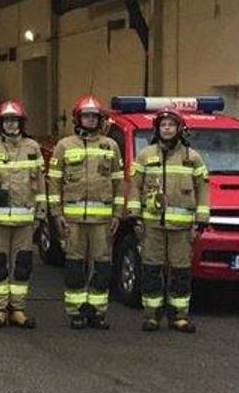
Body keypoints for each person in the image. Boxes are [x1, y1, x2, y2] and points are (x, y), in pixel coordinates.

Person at [128, 108, 209, 333]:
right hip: (152, 226)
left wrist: (201, 221)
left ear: (179, 129)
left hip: (182, 228)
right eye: (163, 125)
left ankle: (179, 316)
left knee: (181, 271)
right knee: (151, 269)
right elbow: (135, 186)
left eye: (171, 125)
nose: (167, 129)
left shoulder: (192, 158)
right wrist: (135, 216)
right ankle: (152, 316)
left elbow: (203, 189)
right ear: (157, 129)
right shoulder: (145, 155)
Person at [49, 95, 126, 330]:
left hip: (102, 220)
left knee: (102, 266)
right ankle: (75, 311)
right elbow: (54, 182)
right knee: (74, 265)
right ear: (78, 118)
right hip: (72, 219)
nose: (91, 120)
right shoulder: (64, 146)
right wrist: (56, 213)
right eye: (86, 116)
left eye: (94, 116)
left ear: (100, 119)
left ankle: (98, 311)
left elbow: (118, 183)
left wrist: (117, 214)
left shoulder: (110, 146)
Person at [0, 100, 48, 329]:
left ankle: (17, 309)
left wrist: (40, 214)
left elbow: (41, 183)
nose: (10, 125)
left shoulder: (32, 148)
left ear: (21, 123)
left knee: (22, 265)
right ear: (0, 124)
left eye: (14, 120)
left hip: (25, 220)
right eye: (6, 121)